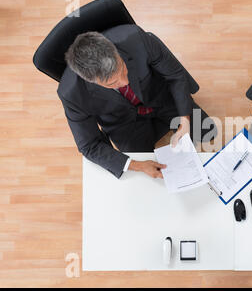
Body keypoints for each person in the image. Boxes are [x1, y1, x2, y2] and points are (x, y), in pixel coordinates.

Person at [58, 25, 216, 179]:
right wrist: (137, 165)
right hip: (123, 123)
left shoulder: (136, 38)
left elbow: (175, 75)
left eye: (123, 68)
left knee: (207, 132)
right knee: (144, 175)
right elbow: (89, 146)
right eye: (112, 83)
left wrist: (185, 120)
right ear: (92, 81)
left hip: (159, 96)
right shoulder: (71, 93)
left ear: (114, 50)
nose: (125, 81)